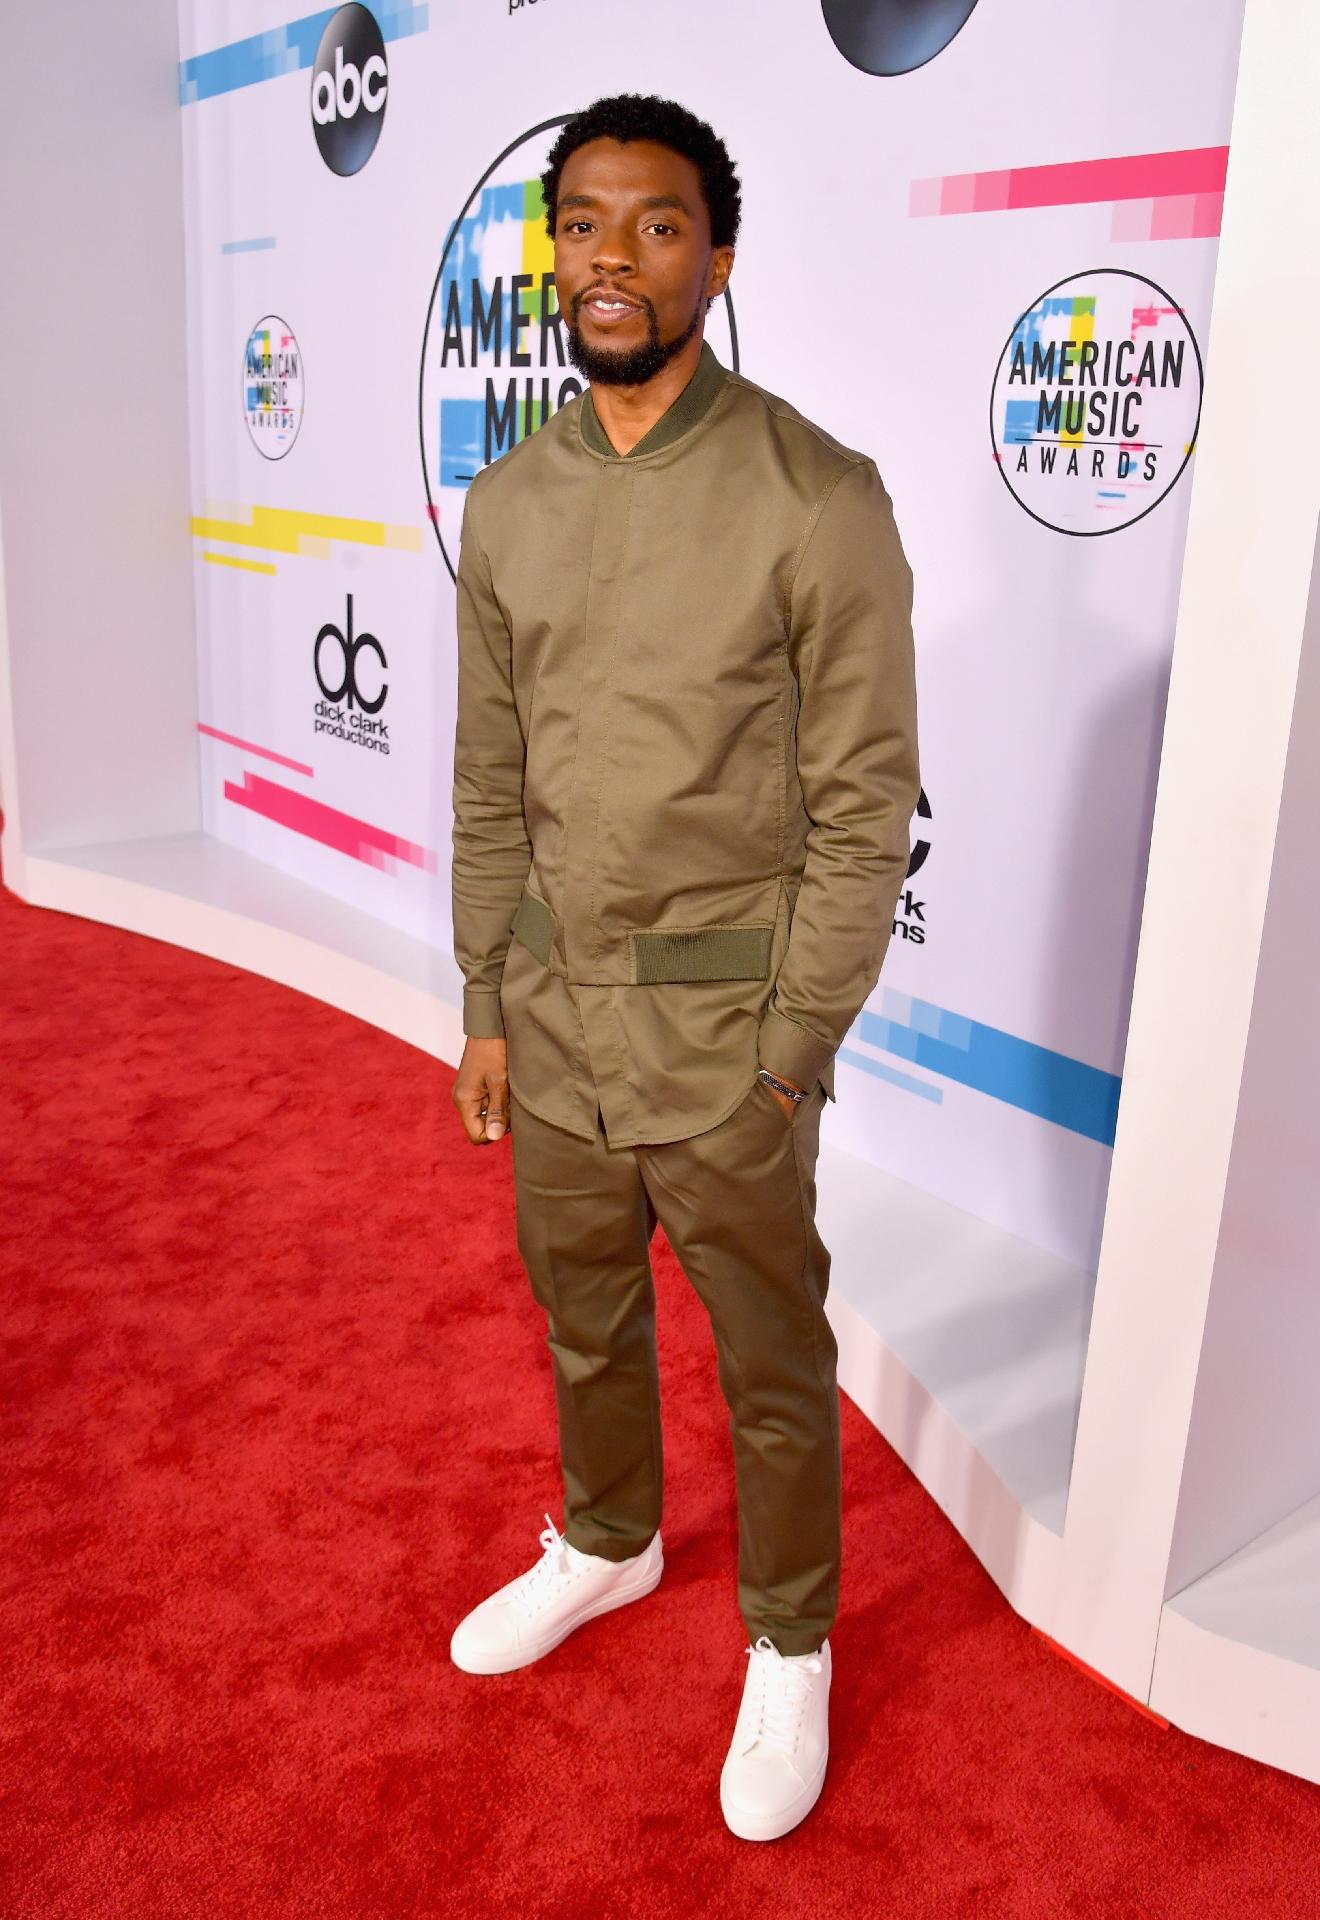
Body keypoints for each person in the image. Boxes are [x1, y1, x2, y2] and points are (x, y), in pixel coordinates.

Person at [445, 92, 920, 1843]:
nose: (613, 258)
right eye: (583, 224)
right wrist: (484, 1002)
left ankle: (790, 1640)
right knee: (581, 1311)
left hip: (732, 1046)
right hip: (552, 1028)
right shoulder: (508, 502)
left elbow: (866, 814)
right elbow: (488, 780)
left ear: (716, 260)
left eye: (657, 227)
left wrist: (791, 1053)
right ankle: (610, 1537)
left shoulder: (818, 498)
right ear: (551, 254)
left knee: (771, 1365)